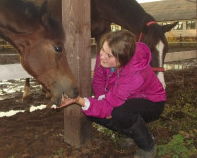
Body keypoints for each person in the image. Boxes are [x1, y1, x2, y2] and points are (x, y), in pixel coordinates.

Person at [60, 29, 166, 157]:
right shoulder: (109, 50)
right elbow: (99, 80)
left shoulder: (134, 75)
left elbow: (112, 107)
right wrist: (102, 100)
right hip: (124, 98)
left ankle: (148, 146)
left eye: (109, 55)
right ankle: (131, 133)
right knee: (94, 112)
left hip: (151, 102)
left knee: (120, 113)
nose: (102, 56)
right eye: (103, 49)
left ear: (123, 59)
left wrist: (79, 100)